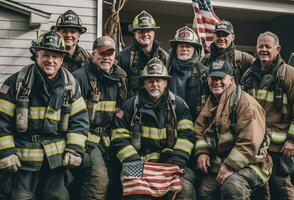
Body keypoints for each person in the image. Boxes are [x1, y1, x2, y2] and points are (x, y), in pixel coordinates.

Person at [0, 30, 89, 199]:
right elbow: (1, 120)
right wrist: (6, 152)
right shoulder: (16, 82)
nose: (50, 60)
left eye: (55, 56)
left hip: (56, 161)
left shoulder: (71, 85)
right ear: (36, 55)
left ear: (62, 59)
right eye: (46, 55)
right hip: (22, 160)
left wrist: (74, 149)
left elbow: (80, 121)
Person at [111, 57, 196, 200]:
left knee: (184, 191)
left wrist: (177, 160)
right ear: (144, 83)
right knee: (135, 193)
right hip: (137, 161)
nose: (154, 84)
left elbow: (187, 135)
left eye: (158, 80)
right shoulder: (130, 106)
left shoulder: (179, 106)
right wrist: (133, 161)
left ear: (166, 82)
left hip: (170, 161)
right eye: (150, 81)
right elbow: (118, 137)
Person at [194, 60, 272, 199]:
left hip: (252, 163)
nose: (216, 82)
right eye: (213, 78)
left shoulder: (246, 104)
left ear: (231, 79)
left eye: (221, 78)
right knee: (205, 190)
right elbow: (199, 129)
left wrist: (230, 166)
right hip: (222, 162)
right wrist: (202, 152)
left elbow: (250, 142)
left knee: (232, 187)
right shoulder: (211, 101)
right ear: (207, 79)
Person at [241, 31, 294, 200]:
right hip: (256, 145)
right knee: (260, 189)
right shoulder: (249, 75)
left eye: (268, 46)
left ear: (278, 49)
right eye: (261, 46)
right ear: (256, 49)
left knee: (280, 187)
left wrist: (293, 140)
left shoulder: (291, 76)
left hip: (279, 147)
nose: (264, 50)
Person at [72, 36, 127, 200]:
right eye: (102, 54)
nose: (106, 58)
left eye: (110, 54)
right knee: (99, 178)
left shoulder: (120, 78)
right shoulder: (79, 78)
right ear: (93, 55)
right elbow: (72, 116)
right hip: (88, 139)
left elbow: (122, 111)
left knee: (123, 176)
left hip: (111, 138)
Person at [117, 10, 169, 97]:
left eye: (148, 30)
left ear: (154, 32)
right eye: (141, 31)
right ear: (134, 33)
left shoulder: (164, 57)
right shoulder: (123, 57)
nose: (145, 34)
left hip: (158, 106)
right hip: (133, 106)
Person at [168, 26, 208, 121]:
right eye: (181, 46)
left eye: (188, 46)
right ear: (176, 49)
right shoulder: (166, 70)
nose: (184, 49)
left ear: (194, 49)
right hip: (170, 120)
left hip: (195, 121)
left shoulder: (204, 73)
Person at [202, 20, 255, 84]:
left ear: (233, 37)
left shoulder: (244, 59)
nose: (221, 38)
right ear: (214, 37)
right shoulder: (205, 60)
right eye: (218, 35)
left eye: (225, 35)